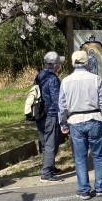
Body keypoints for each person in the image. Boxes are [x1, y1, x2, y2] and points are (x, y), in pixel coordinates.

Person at [58, 51, 102, 200]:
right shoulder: (95, 79)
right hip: (94, 118)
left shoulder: (66, 81)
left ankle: (84, 190)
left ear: (73, 63)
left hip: (75, 121)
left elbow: (62, 106)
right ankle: (100, 187)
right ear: (87, 63)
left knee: (80, 157)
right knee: (99, 155)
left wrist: (63, 123)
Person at [34, 51, 65, 182]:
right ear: (54, 64)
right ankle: (46, 172)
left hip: (39, 113)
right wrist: (64, 114)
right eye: (59, 63)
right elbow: (57, 99)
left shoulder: (39, 75)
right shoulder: (52, 78)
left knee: (45, 142)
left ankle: (50, 166)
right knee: (51, 142)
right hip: (50, 114)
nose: (59, 65)